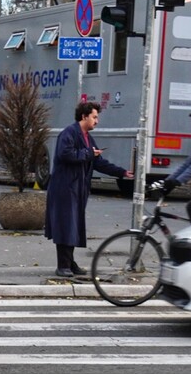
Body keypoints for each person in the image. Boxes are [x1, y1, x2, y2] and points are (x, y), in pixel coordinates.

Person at [45, 101, 133, 278]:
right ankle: (63, 265)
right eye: (94, 117)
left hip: (77, 189)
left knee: (72, 226)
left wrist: (122, 172)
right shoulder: (69, 133)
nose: (97, 121)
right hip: (65, 188)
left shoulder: (87, 137)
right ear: (84, 116)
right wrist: (88, 154)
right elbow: (65, 154)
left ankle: (69, 262)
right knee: (65, 226)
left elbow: (99, 163)